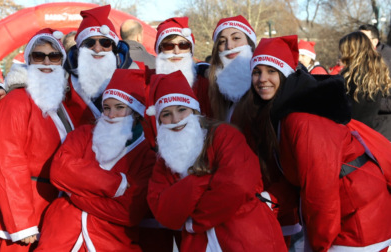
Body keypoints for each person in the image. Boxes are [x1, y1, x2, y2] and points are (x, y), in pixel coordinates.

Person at [249, 34, 391, 251]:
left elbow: (321, 190)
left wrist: (319, 246)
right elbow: (298, 179)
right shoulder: (282, 113)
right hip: (348, 215)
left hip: (357, 222)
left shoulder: (301, 119)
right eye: (257, 72)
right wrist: (268, 199)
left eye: (271, 71)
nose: (262, 79)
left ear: (286, 75)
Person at [146, 70, 287, 252]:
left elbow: (238, 185)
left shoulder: (224, 135)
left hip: (247, 238)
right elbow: (163, 211)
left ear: (194, 110)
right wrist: (203, 180)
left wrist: (194, 221)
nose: (176, 120)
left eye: (182, 110)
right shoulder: (164, 160)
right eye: (166, 114)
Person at [36, 69, 155, 251]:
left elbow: (129, 212)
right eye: (106, 108)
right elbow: (59, 171)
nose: (111, 114)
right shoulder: (83, 134)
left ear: (136, 113)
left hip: (112, 242)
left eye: (119, 107)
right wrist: (117, 184)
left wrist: (74, 194)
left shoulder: (147, 155)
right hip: (60, 235)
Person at [0, 28, 72, 251]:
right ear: (28, 60)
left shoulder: (61, 102)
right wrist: (22, 223)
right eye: (38, 56)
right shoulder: (16, 101)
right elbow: (7, 163)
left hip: (49, 209)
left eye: (54, 56)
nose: (46, 62)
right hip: (22, 213)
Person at [0, 5, 138, 127]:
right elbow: (34, 73)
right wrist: (1, 88)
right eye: (90, 43)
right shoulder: (66, 74)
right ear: (80, 48)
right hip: (74, 156)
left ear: (114, 47)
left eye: (105, 43)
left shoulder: (135, 74)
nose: (97, 49)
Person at [208, 15, 257, 122]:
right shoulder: (214, 90)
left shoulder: (263, 85)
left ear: (250, 42)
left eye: (236, 38)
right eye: (222, 41)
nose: (229, 46)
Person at [339, 31, 391, 131]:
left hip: (354, 131)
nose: (341, 55)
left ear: (351, 51)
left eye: (343, 51)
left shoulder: (351, 76)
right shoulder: (379, 71)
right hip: (373, 131)